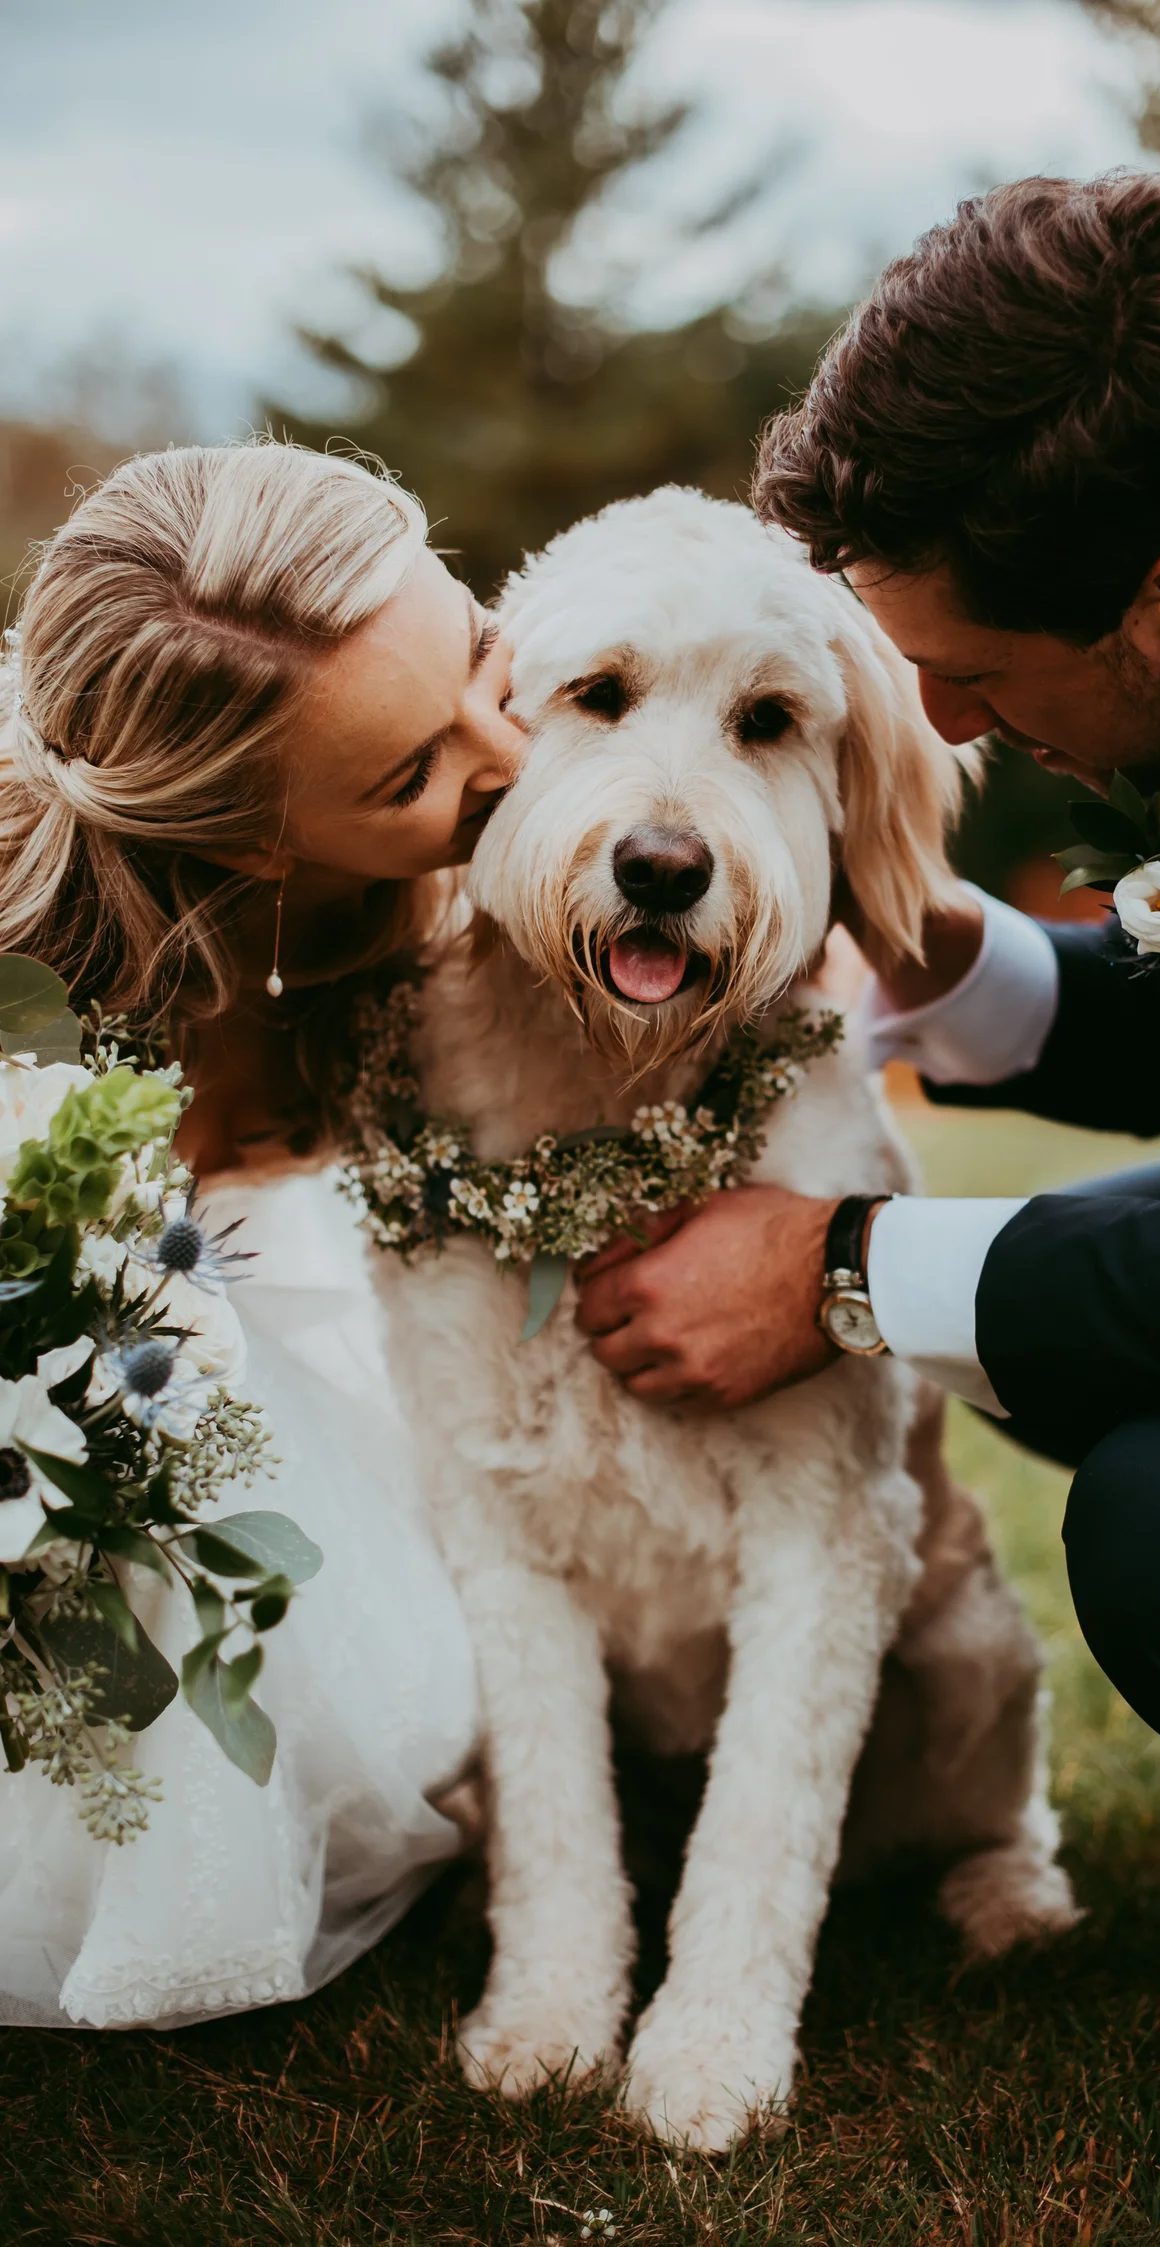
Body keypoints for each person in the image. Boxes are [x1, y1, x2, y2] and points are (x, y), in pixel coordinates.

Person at [571, 172, 1160, 2148]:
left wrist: (833, 1267)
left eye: (977, 677)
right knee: (1073, 1315)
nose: (941, 716)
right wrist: (950, 955)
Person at [0, 441, 523, 2027]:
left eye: (482, 656)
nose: (510, 751)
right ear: (253, 849)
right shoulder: (44, 1009)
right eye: (411, 774)